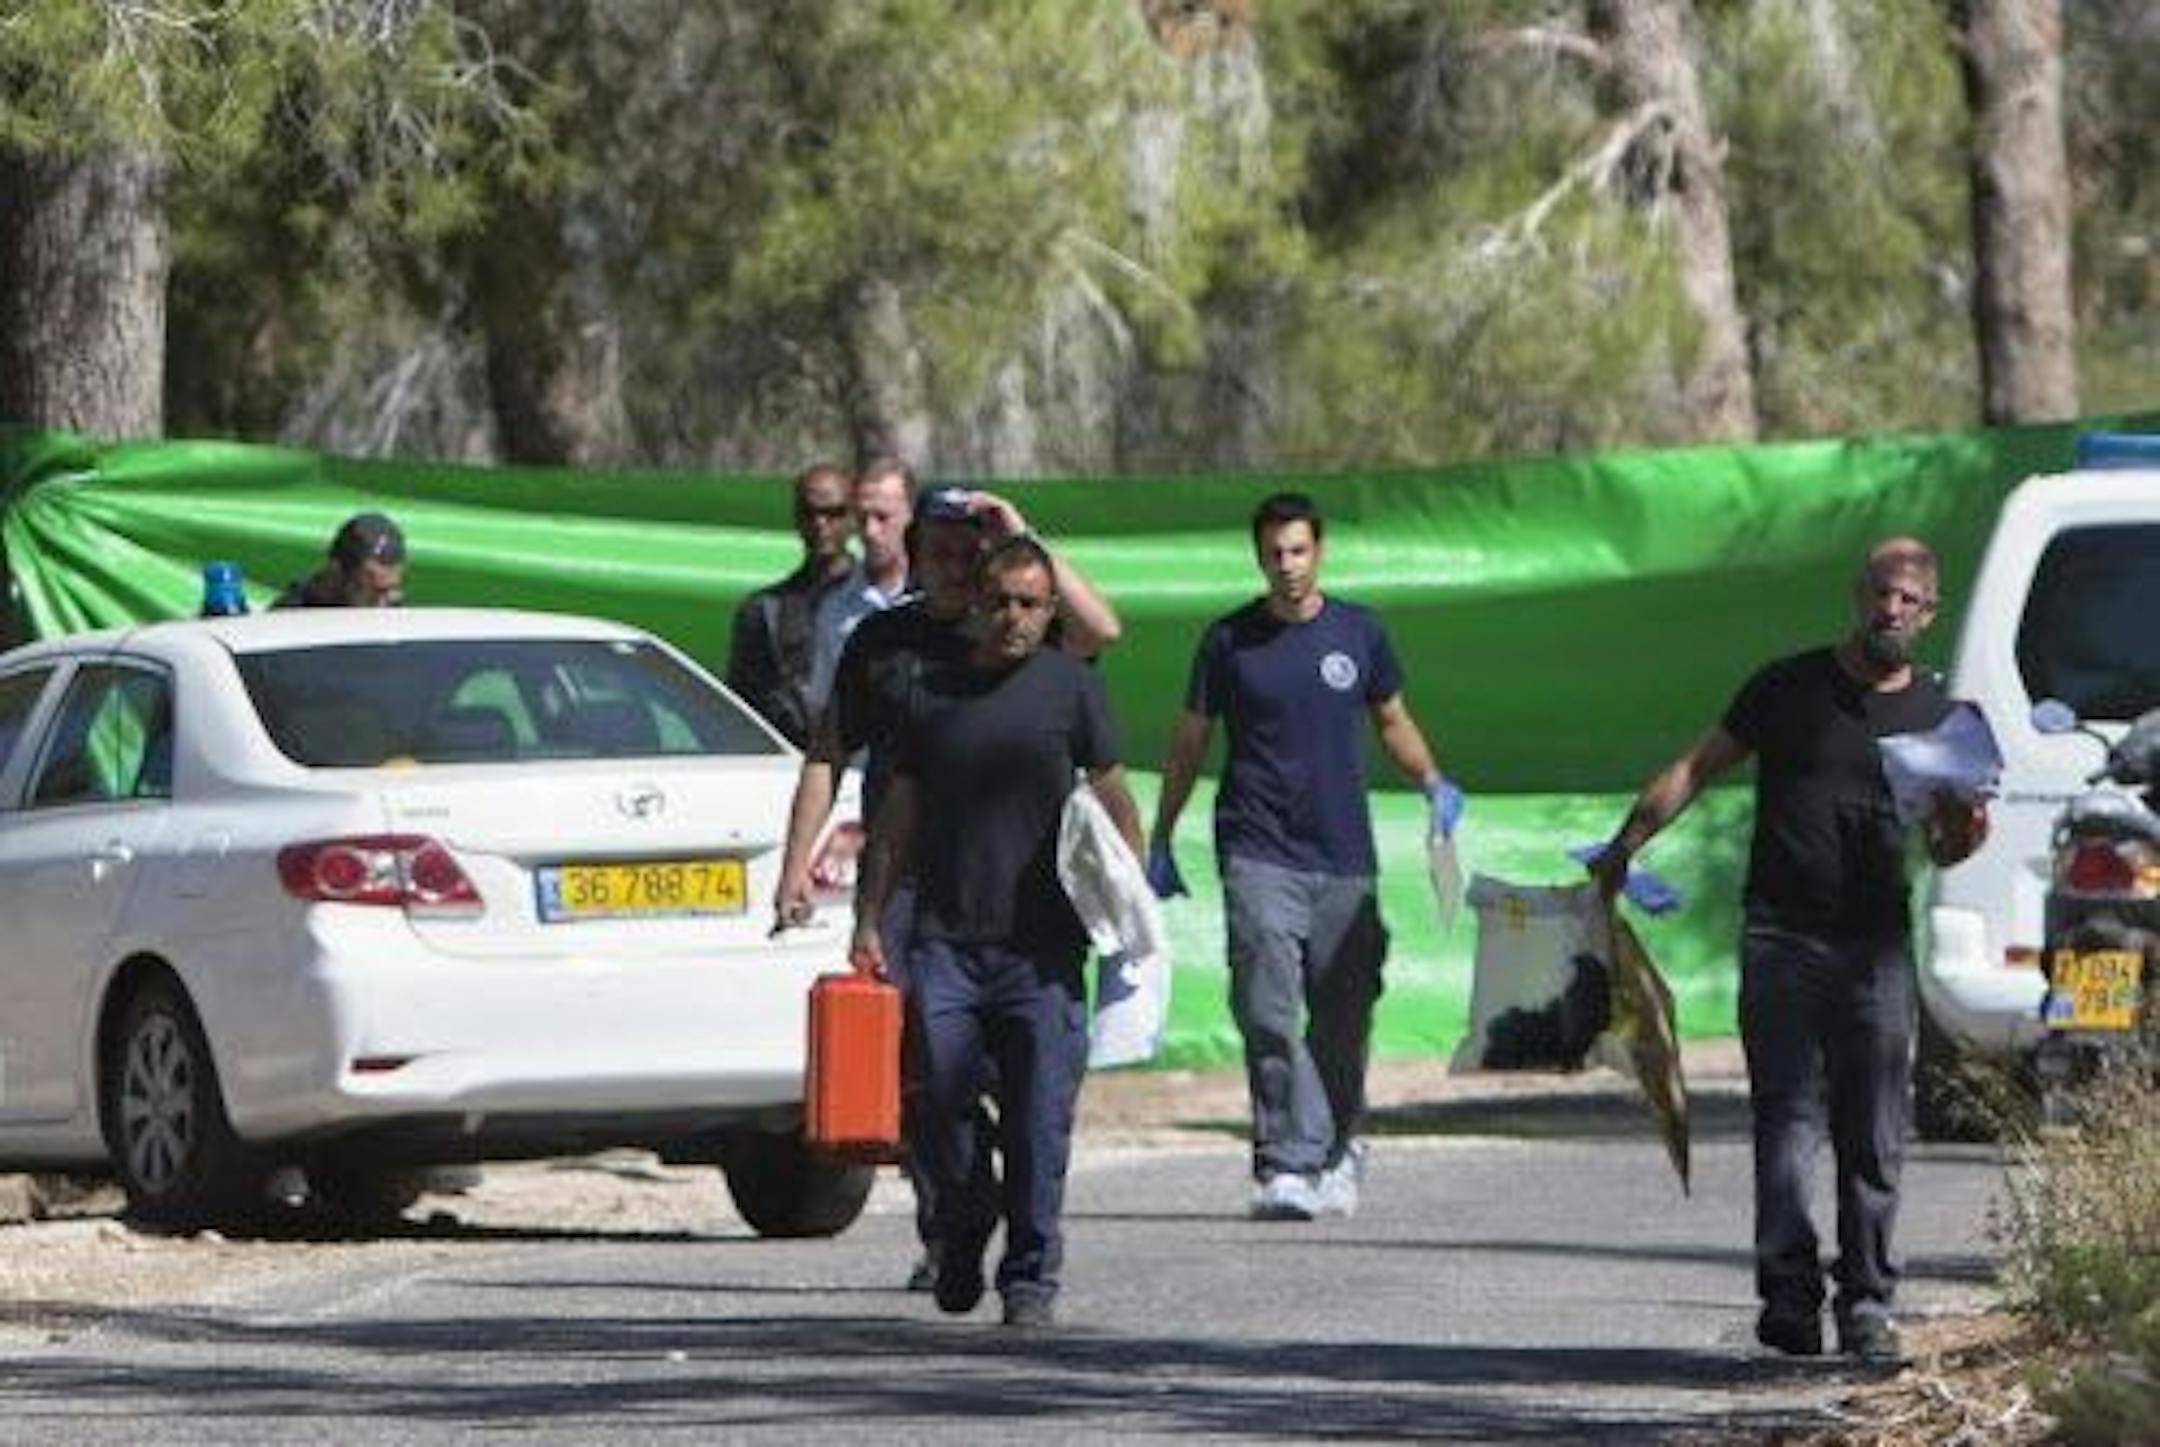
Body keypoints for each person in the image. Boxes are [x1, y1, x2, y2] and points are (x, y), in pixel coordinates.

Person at [1588, 537, 1989, 1365]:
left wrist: (1963, 822)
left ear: (1930, 612)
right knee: (1787, 1124)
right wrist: (1625, 843)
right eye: (1881, 592)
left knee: (1873, 1133)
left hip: (1875, 946)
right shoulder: (1788, 686)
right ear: (1858, 593)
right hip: (1780, 936)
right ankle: (1790, 1297)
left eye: (1910, 599)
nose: (1892, 610)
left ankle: (1870, 1302)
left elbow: (1949, 850)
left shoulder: (1943, 719)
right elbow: (1695, 766)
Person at [773, 482, 1123, 1291]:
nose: (958, 564)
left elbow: (1102, 629)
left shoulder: (1016, 629)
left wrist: (1024, 532)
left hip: (1017, 888)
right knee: (929, 1080)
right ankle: (953, 1223)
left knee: (1026, 1090)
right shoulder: (882, 641)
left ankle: (1017, 1249)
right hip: (909, 888)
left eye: (973, 549)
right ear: (914, 555)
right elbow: (829, 754)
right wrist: (798, 864)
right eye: (942, 549)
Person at [850, 536, 1145, 1330]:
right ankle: (963, 1216)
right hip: (946, 939)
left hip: (1043, 949)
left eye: (1030, 603)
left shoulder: (1071, 689)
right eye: (1001, 600)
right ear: (976, 601)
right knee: (936, 1099)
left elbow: (1116, 802)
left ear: (1050, 611)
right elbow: (898, 815)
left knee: (1037, 1118)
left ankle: (1030, 1277)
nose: (1013, 616)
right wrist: (869, 915)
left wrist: (1133, 899)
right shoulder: (930, 692)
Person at [1148, 491, 1462, 1222]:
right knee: (1266, 1003)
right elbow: (1190, 739)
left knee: (1343, 1017)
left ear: (1319, 550)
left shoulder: (1360, 632)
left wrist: (1433, 780)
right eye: (1273, 553)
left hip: (1344, 855)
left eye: (1298, 550)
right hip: (1258, 848)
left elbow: (1393, 719)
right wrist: (1162, 834)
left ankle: (1339, 1147)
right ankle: (1285, 1161)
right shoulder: (1228, 642)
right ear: (1258, 557)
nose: (1287, 565)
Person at [724, 464, 858, 746]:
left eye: (833, 513)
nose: (820, 524)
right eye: (809, 513)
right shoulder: (764, 610)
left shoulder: (879, 602)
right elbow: (741, 704)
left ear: (852, 517)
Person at [273, 512, 407, 609]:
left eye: (390, 589)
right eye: (373, 593)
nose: (382, 604)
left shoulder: (392, 614)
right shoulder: (289, 619)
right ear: (336, 571)